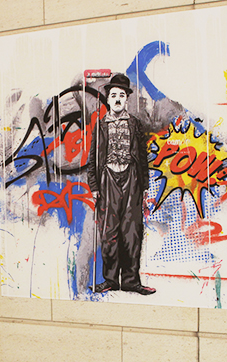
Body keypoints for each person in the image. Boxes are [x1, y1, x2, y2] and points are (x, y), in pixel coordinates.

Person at [87, 72, 156, 295]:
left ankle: (130, 281)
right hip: (108, 180)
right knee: (109, 232)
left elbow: (143, 158)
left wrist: (145, 187)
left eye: (122, 95)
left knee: (132, 232)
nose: (117, 99)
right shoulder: (100, 126)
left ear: (127, 99)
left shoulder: (135, 124)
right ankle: (110, 280)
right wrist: (94, 187)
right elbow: (92, 159)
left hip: (132, 179)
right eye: (114, 95)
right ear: (108, 99)